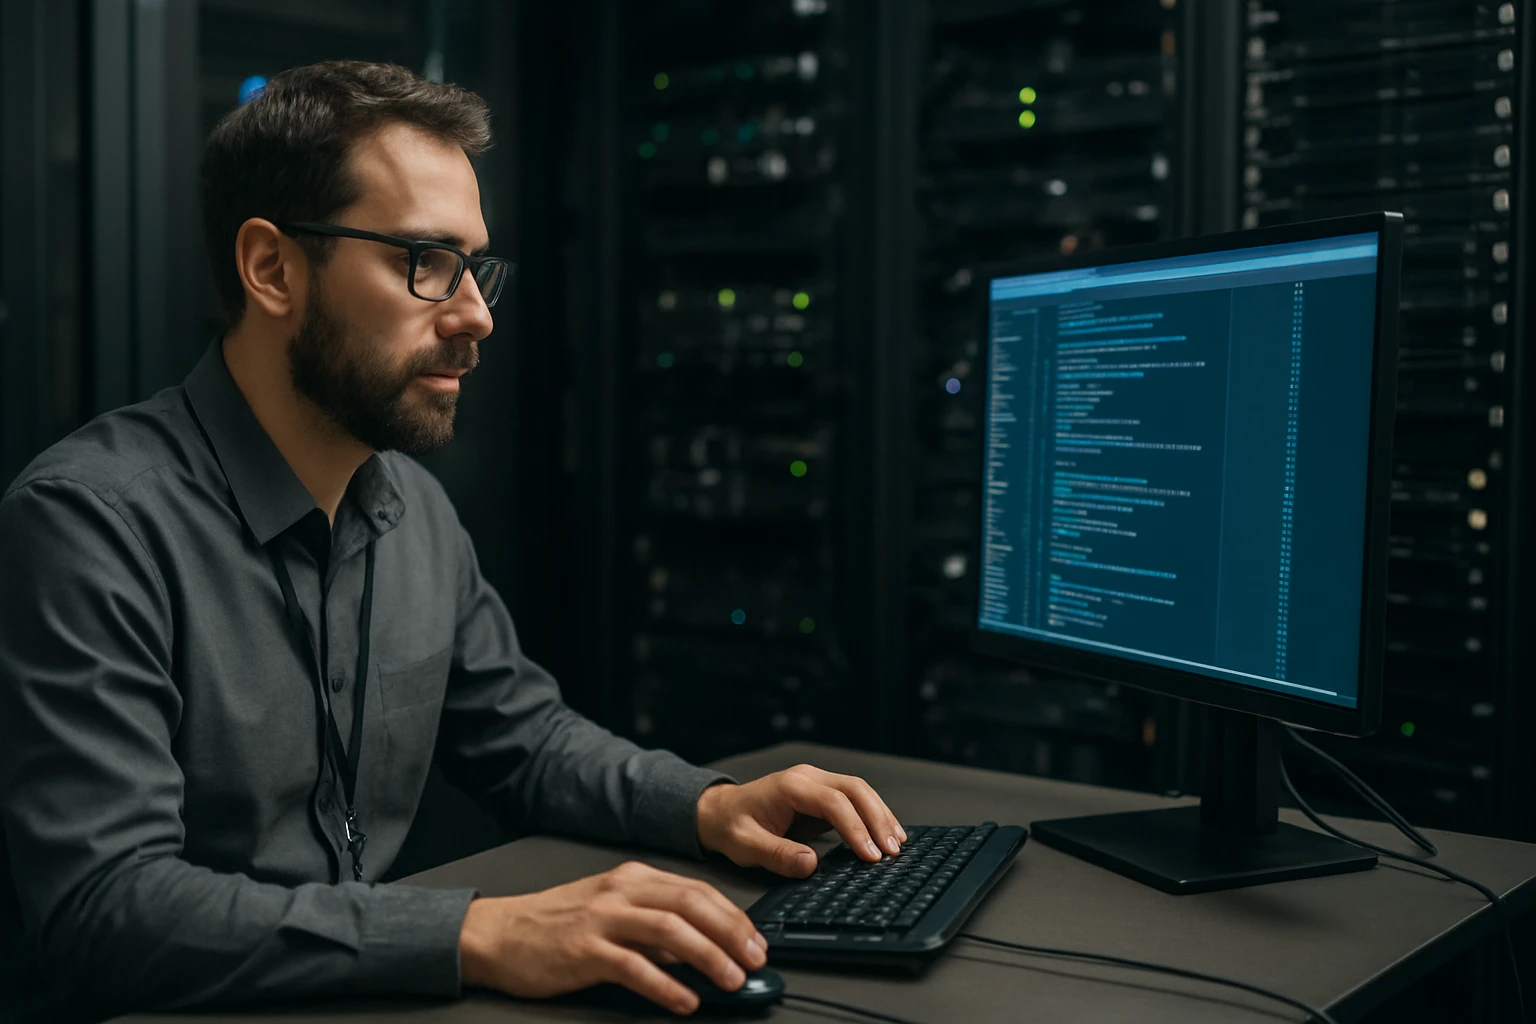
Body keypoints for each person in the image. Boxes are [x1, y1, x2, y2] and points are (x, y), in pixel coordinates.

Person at [0, 61, 906, 1023]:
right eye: (422, 263)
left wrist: (708, 806)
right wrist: (479, 933)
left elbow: (527, 745)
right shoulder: (89, 522)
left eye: (476, 268)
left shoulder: (414, 511)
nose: (475, 314)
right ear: (272, 269)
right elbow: (107, 910)